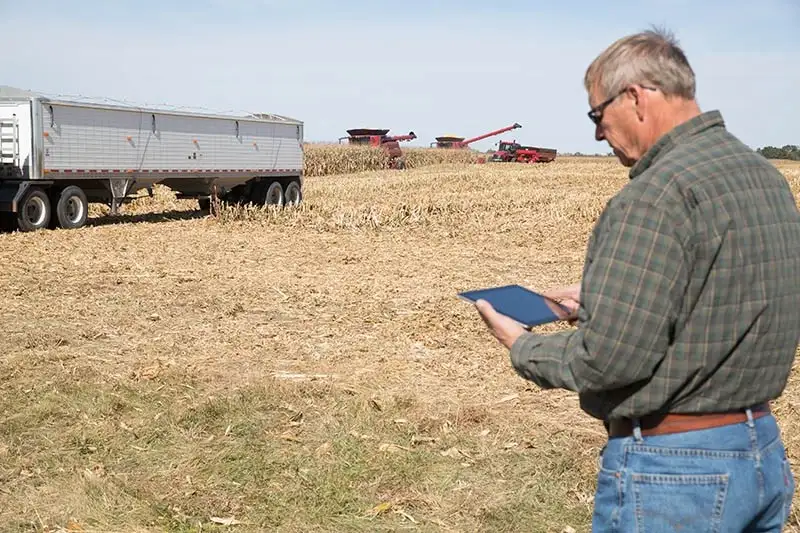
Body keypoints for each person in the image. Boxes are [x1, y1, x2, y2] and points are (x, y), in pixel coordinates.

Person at [474, 27, 800, 532]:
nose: (598, 134)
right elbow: (738, 292)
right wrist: (607, 299)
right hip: (761, 454)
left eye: (597, 115)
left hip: (678, 472)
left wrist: (521, 345)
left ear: (635, 98)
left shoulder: (657, 192)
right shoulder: (762, 177)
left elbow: (606, 360)